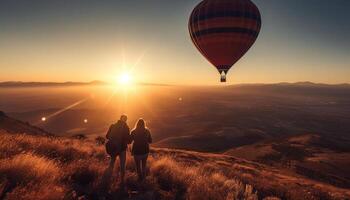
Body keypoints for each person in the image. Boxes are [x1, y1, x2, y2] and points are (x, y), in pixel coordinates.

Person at [105, 114, 131, 186]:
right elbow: (129, 141)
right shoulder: (126, 128)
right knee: (122, 165)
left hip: (113, 147)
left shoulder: (112, 125)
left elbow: (107, 136)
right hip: (122, 149)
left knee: (112, 162)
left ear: (119, 119)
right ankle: (122, 181)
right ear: (126, 120)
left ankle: (108, 178)